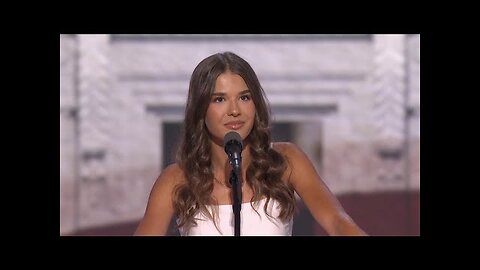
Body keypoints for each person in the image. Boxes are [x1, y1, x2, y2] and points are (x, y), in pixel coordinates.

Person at [134, 51, 367, 236]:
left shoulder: (286, 160)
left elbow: (337, 222)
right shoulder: (176, 179)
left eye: (244, 98)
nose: (234, 111)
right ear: (200, 109)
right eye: (220, 99)